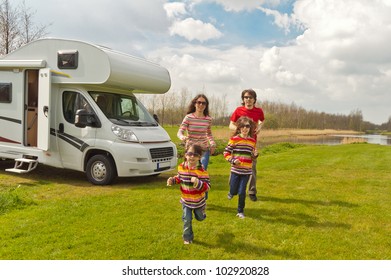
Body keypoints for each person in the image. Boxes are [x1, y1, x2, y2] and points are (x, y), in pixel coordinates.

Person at [167, 144, 211, 244]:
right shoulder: (181, 167)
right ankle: (187, 238)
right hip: (186, 200)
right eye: (190, 154)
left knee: (199, 218)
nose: (192, 156)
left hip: (198, 201)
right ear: (186, 155)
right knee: (187, 219)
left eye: (195, 155)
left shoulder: (202, 171)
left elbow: (208, 186)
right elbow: (179, 178)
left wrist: (198, 183)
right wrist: (172, 180)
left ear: (199, 157)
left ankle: (202, 213)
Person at [229, 89, 265, 201]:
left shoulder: (258, 111)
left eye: (250, 97)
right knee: (235, 166)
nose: (248, 99)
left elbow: (262, 121)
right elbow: (231, 124)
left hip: (251, 144)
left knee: (252, 168)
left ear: (254, 99)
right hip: (238, 143)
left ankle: (252, 192)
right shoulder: (238, 110)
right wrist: (240, 131)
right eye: (245, 97)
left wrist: (259, 127)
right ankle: (232, 189)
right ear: (243, 99)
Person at [224, 116, 258, 219]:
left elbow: (252, 156)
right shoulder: (234, 140)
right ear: (239, 128)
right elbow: (226, 153)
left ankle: (240, 211)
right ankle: (231, 192)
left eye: (247, 126)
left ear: (250, 128)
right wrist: (233, 160)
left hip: (246, 171)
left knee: (242, 191)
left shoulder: (252, 141)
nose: (245, 128)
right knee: (234, 189)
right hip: (235, 170)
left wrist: (255, 155)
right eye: (242, 126)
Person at [177, 94, 216, 170]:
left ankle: (201, 181)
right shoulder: (188, 117)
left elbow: (209, 134)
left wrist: (212, 143)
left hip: (204, 148)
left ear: (206, 105)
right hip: (191, 149)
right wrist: (182, 137)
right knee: (190, 170)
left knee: (202, 170)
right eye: (199, 102)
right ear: (195, 104)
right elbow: (180, 132)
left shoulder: (208, 119)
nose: (201, 105)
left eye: (203, 103)